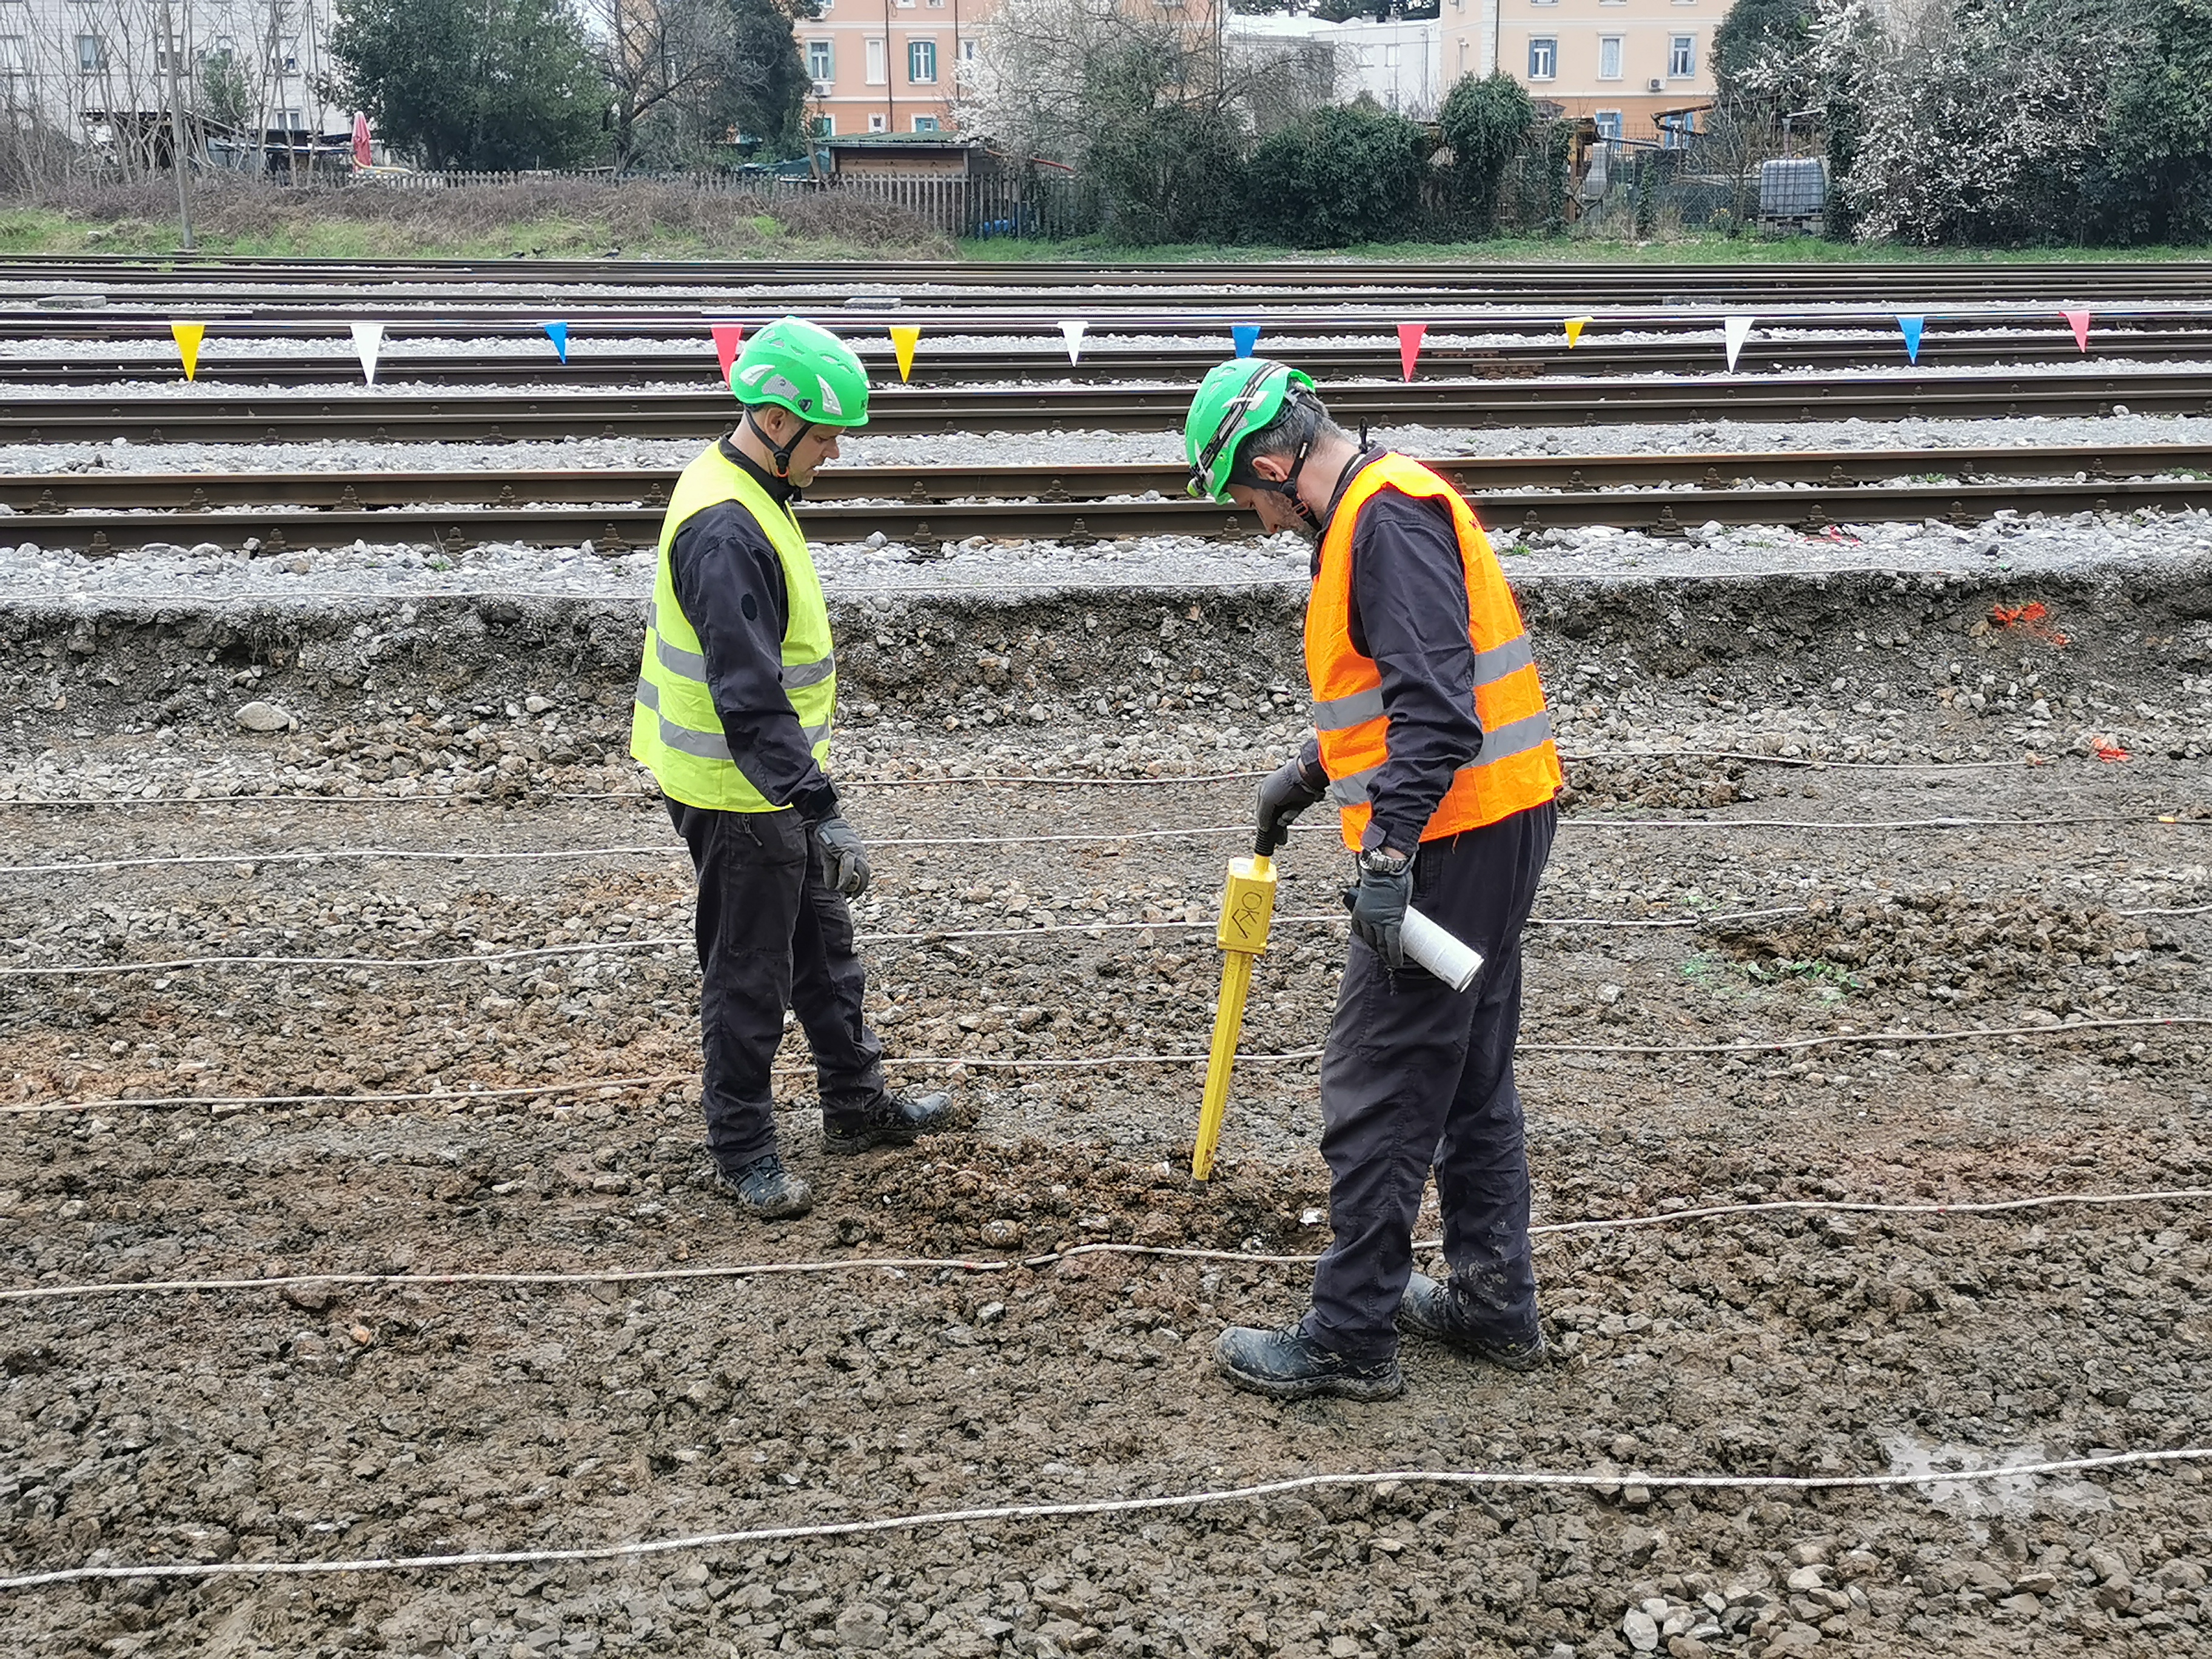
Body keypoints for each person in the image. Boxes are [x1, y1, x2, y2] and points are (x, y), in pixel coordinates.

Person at [1183, 358, 1564, 1401]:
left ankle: (1351, 1335)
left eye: (1244, 499)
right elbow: (1396, 692)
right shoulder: (1381, 501)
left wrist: (1388, 854)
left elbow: (1440, 712)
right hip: (1491, 821)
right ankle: (1494, 1304)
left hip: (1450, 839)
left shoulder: (1383, 521)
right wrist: (1310, 774)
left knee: (1379, 1080)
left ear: (1271, 462)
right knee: (1471, 1072)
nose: (1255, 522)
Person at [632, 316, 950, 1221]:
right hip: (741, 793)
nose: (836, 451)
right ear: (775, 422)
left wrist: (809, 802)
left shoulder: (748, 492)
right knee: (749, 974)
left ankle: (855, 1103)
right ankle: (743, 1150)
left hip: (769, 785)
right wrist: (823, 805)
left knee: (823, 947)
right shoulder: (727, 529)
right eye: (826, 434)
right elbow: (749, 694)